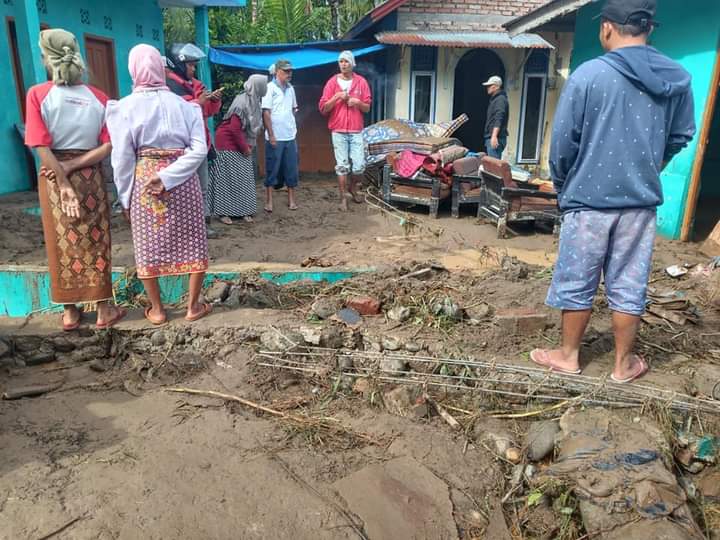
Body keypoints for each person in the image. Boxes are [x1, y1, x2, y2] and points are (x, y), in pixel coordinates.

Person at [530, 0, 696, 383]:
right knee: (629, 283)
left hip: (588, 202)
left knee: (577, 278)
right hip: (639, 204)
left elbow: (562, 146)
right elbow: (681, 135)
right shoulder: (677, 79)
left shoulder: (589, 76)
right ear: (648, 28)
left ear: (606, 28)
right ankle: (623, 365)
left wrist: (564, 185)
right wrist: (652, 166)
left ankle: (568, 355)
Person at [24, 28, 126, 331]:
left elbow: (39, 144)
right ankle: (104, 311)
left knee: (61, 241)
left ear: (47, 59)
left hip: (52, 175)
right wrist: (75, 167)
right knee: (96, 239)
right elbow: (108, 145)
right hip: (90, 176)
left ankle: (70, 313)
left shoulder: (38, 95)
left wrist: (63, 176)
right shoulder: (99, 97)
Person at [106, 44, 212, 325]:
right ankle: (192, 307)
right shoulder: (186, 107)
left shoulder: (124, 108)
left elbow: (122, 159)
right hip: (184, 179)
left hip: (145, 181)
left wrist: (125, 198)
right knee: (194, 242)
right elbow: (199, 150)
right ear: (162, 69)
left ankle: (157, 310)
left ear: (133, 69)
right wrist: (170, 175)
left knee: (147, 244)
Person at [166, 43, 223, 238]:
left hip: (200, 143)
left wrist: (213, 100)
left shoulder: (196, 85)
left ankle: (203, 225)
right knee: (181, 190)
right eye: (190, 65)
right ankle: (182, 227)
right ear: (180, 65)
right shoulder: (169, 86)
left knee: (203, 187)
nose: (193, 69)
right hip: (179, 148)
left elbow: (205, 113)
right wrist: (196, 103)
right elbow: (173, 113)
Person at [209, 74, 268, 224]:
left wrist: (247, 146)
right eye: (264, 85)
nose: (265, 88)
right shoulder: (241, 102)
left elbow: (249, 129)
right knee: (226, 180)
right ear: (258, 86)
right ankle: (223, 213)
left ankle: (243, 211)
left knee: (243, 179)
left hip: (241, 143)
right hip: (228, 144)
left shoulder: (255, 101)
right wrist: (245, 149)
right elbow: (235, 129)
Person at [319, 50, 372, 211]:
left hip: (356, 130)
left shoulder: (361, 82)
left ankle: (353, 188)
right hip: (338, 130)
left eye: (346, 61)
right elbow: (323, 109)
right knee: (342, 166)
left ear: (352, 64)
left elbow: (367, 108)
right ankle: (343, 198)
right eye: (341, 61)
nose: (343, 64)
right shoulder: (331, 83)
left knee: (359, 167)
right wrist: (336, 97)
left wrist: (357, 102)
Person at [262, 59, 299, 212]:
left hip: (290, 135)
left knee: (291, 168)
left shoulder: (291, 89)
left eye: (290, 71)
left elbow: (294, 108)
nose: (289, 74)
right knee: (272, 168)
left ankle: (291, 200)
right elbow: (266, 113)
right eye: (285, 71)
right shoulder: (269, 88)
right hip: (275, 136)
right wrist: (271, 135)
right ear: (277, 72)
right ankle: (269, 201)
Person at [482, 75, 509, 159]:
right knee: (492, 166)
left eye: (489, 86)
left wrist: (494, 136)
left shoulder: (500, 100)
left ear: (496, 87)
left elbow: (499, 118)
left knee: (494, 167)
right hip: (492, 137)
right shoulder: (495, 99)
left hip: (496, 138)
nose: (487, 88)